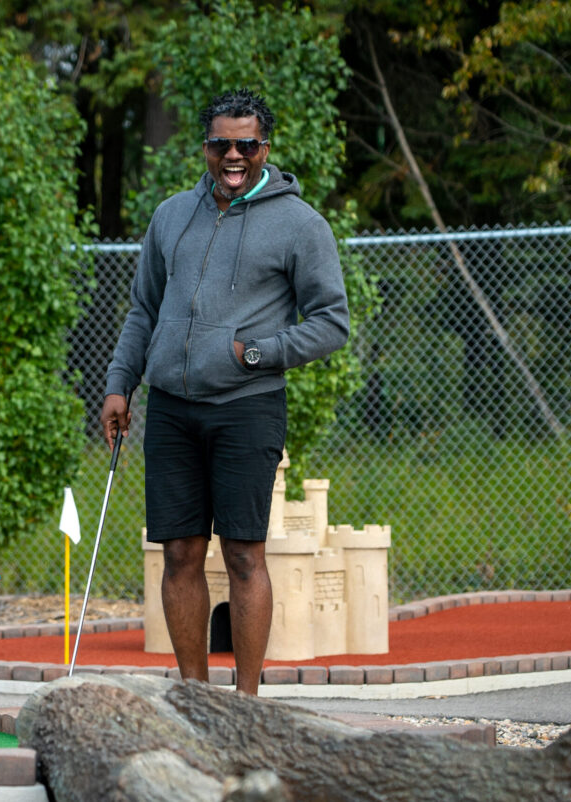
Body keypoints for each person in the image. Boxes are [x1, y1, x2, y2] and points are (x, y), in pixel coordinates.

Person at [100, 89, 349, 695]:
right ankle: (193, 697)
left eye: (247, 144)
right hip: (171, 410)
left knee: (243, 556)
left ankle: (245, 704)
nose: (233, 155)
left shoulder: (300, 224)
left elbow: (331, 322)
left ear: (266, 147)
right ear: (205, 147)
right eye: (221, 144)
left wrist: (254, 352)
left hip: (247, 408)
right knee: (179, 555)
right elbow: (143, 311)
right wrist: (119, 385)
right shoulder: (170, 216)